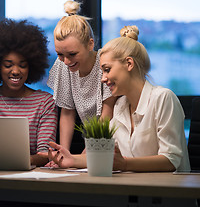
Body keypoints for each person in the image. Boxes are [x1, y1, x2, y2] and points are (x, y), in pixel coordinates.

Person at [48, 25, 191, 172]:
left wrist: (125, 164)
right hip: (133, 190)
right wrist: (71, 159)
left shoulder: (163, 98)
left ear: (129, 64)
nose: (103, 78)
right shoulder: (120, 106)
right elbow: (104, 155)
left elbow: (170, 160)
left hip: (168, 192)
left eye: (107, 70)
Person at [0, 18, 58, 167]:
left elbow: (45, 153)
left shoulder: (44, 102)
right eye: (8, 65)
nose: (15, 71)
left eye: (22, 66)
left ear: (31, 67)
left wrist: (22, 160)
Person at [47, 0, 116, 151]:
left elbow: (108, 111)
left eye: (72, 54)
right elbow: (67, 112)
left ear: (90, 44)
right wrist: (63, 152)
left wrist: (91, 148)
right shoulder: (62, 65)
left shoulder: (105, 63)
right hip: (92, 139)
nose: (66, 61)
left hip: (113, 136)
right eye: (60, 54)